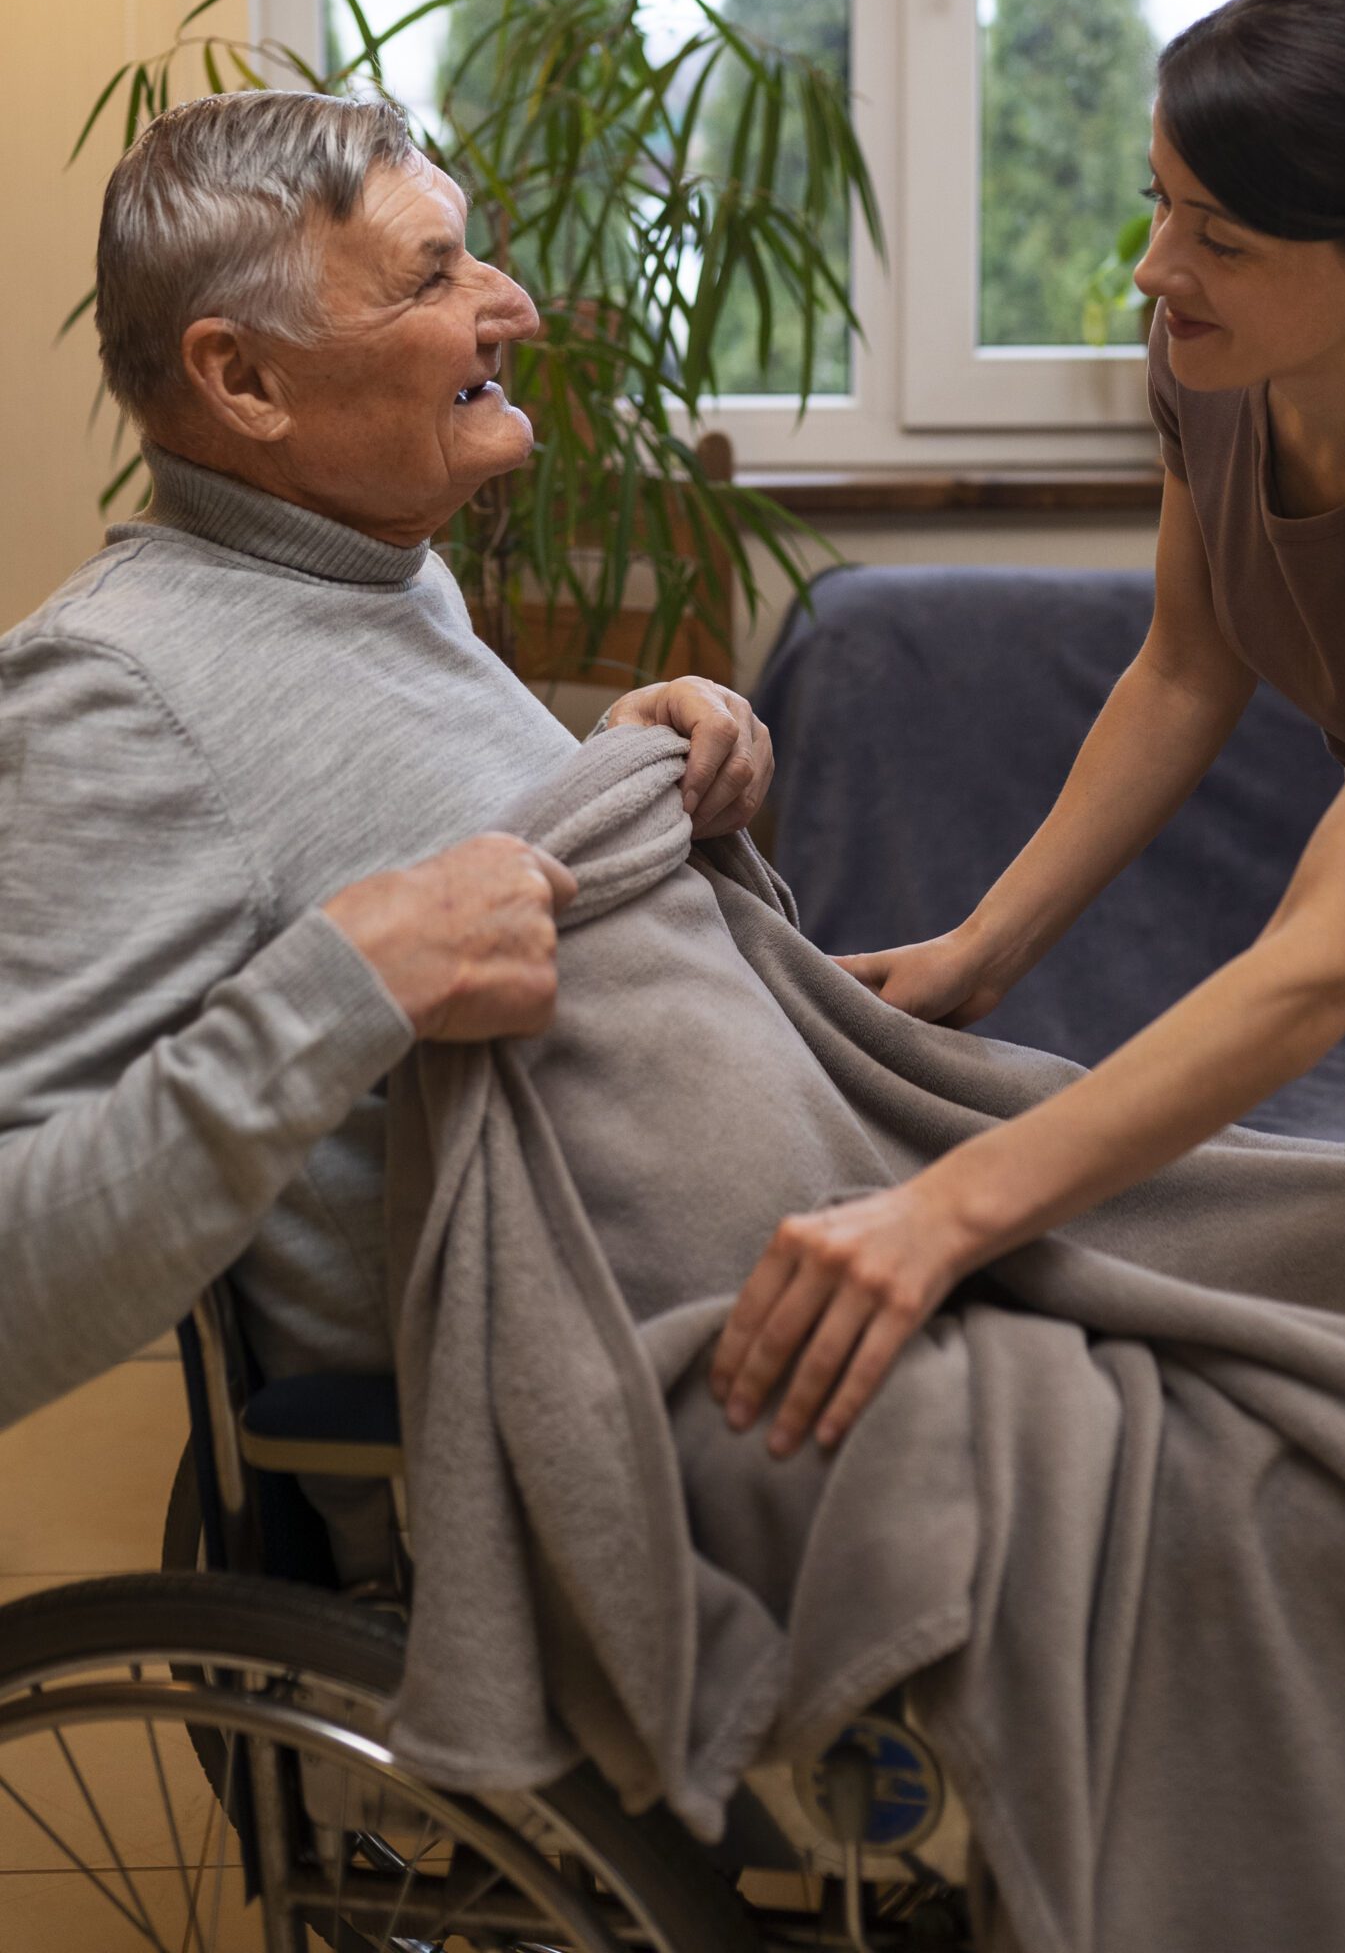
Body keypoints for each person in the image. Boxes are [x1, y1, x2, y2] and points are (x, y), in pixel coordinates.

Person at [709, 0, 1345, 1601]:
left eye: (1218, 239)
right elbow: (1186, 665)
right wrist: (984, 946)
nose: (1158, 271)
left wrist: (955, 1214)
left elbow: (1313, 966)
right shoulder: (1221, 374)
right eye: (1158, 204)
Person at [0, 89, 772, 1432]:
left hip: (765, 1306)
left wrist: (612, 776)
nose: (515, 305)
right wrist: (344, 984)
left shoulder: (377, 573)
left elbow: (381, 834)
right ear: (243, 381)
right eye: (434, 275)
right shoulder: (112, 694)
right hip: (661, 1422)